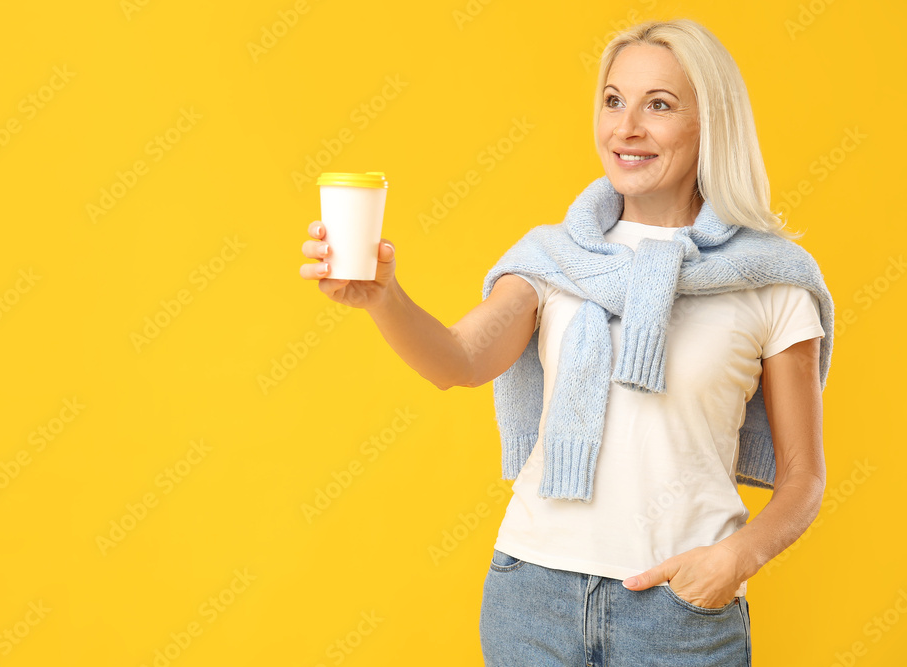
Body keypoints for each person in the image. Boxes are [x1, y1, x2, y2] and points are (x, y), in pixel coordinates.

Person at [299, 18, 834, 667]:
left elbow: (804, 477)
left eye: (658, 105)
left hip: (679, 609)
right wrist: (383, 296)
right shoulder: (555, 260)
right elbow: (458, 360)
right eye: (613, 100)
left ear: (710, 123)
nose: (626, 127)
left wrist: (731, 560)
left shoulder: (770, 280)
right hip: (533, 596)